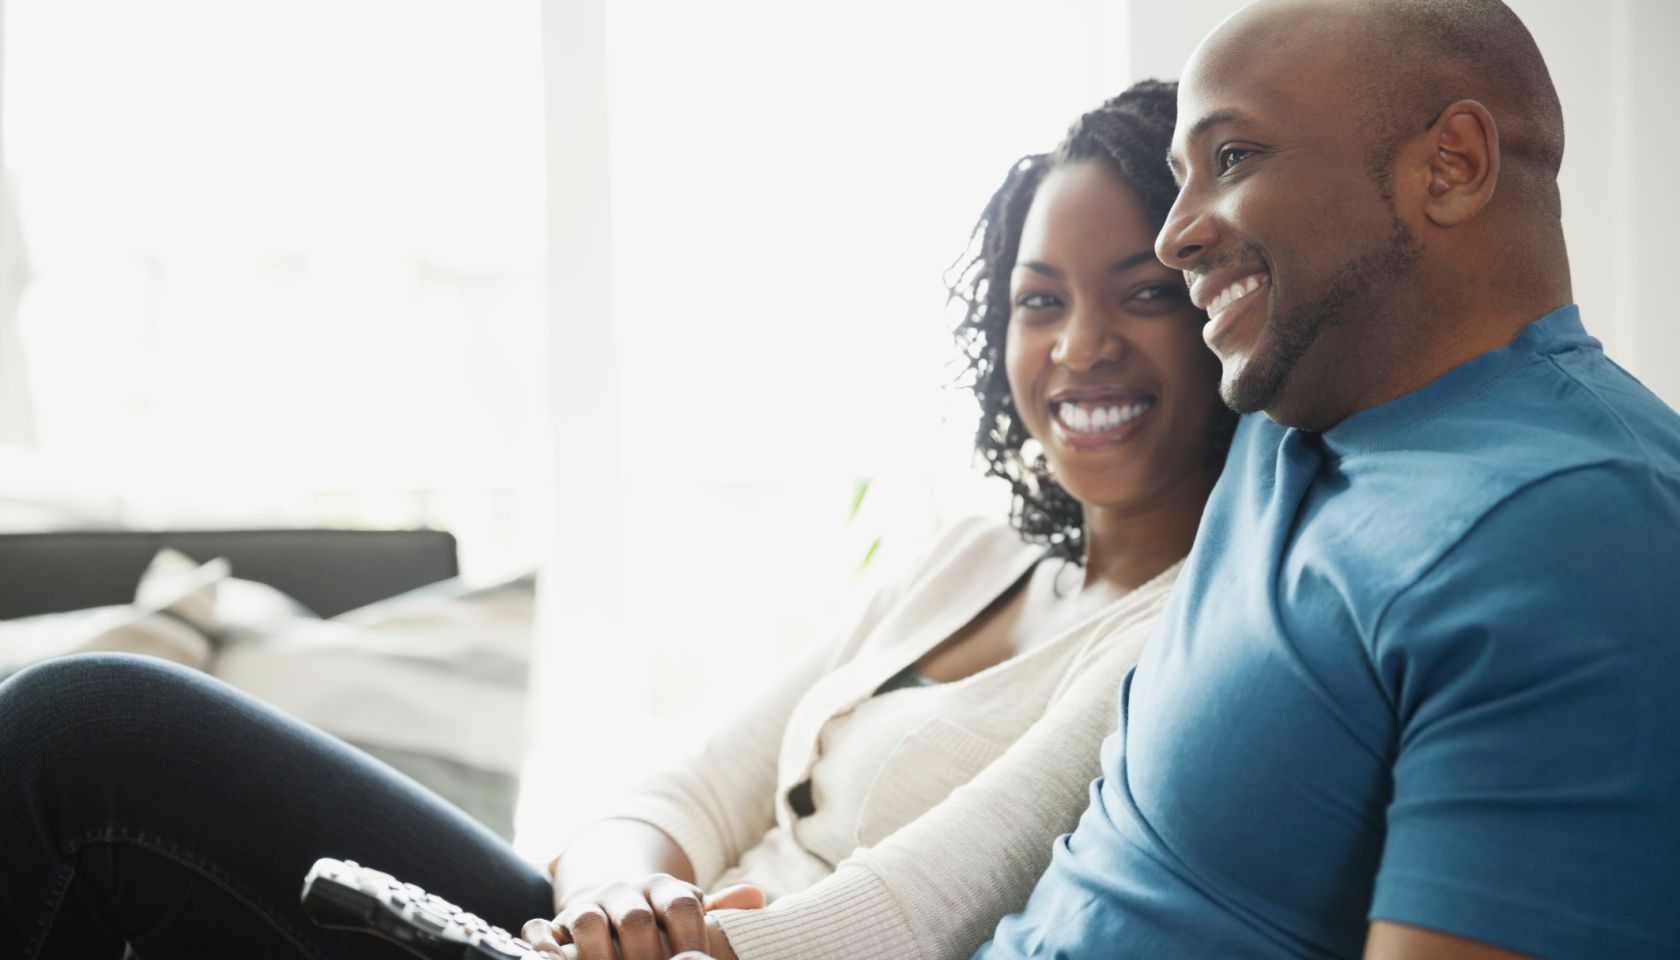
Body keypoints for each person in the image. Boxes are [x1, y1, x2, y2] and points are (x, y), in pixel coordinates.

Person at [0, 80, 1234, 960]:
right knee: (83, 728)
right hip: (595, 940)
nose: (1079, 348)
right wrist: (617, 897)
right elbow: (679, 791)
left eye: (1143, 295)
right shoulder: (978, 553)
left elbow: (925, 912)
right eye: (1039, 300)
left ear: (1224, 312)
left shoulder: (1184, 624)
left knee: (92, 736)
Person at [971, 2, 1680, 959]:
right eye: (1181, 178)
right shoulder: (1291, 412)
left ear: (1453, 164)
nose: (1175, 236)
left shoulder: (1577, 528)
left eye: (1234, 159)